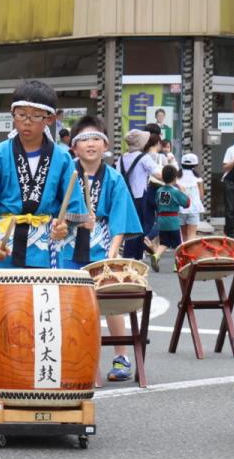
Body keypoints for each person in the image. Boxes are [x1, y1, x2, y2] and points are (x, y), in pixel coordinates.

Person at [0, 81, 85, 422]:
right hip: (5, 240)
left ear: (50, 120)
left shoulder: (62, 158)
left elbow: (70, 214)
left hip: (43, 243)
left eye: (35, 117)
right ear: (12, 116)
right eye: (20, 115)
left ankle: (36, 387)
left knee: (42, 316)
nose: (26, 123)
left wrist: (63, 227)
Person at [66, 114, 142, 383]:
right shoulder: (65, 173)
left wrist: (114, 251)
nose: (90, 144)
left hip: (102, 243)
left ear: (106, 145)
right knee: (71, 305)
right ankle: (77, 356)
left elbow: (121, 217)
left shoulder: (112, 177)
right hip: (68, 246)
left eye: (96, 138)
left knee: (110, 302)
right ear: (74, 147)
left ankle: (121, 356)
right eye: (83, 139)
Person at [119, 129, 163, 262]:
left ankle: (131, 255)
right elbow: (158, 174)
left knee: (130, 225)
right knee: (142, 225)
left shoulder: (121, 158)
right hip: (140, 196)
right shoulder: (144, 158)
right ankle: (135, 255)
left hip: (125, 196)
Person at [150, 164, 188, 265]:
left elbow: (157, 203)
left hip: (161, 220)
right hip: (173, 220)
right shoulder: (175, 192)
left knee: (164, 242)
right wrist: (183, 192)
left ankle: (156, 255)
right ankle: (177, 265)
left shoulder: (159, 191)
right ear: (175, 177)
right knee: (177, 245)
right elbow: (186, 203)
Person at [177, 153, 206, 243]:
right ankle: (190, 254)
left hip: (180, 209)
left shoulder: (177, 177)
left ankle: (183, 253)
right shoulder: (198, 179)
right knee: (192, 234)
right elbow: (201, 195)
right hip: (193, 209)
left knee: (183, 234)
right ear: (195, 165)